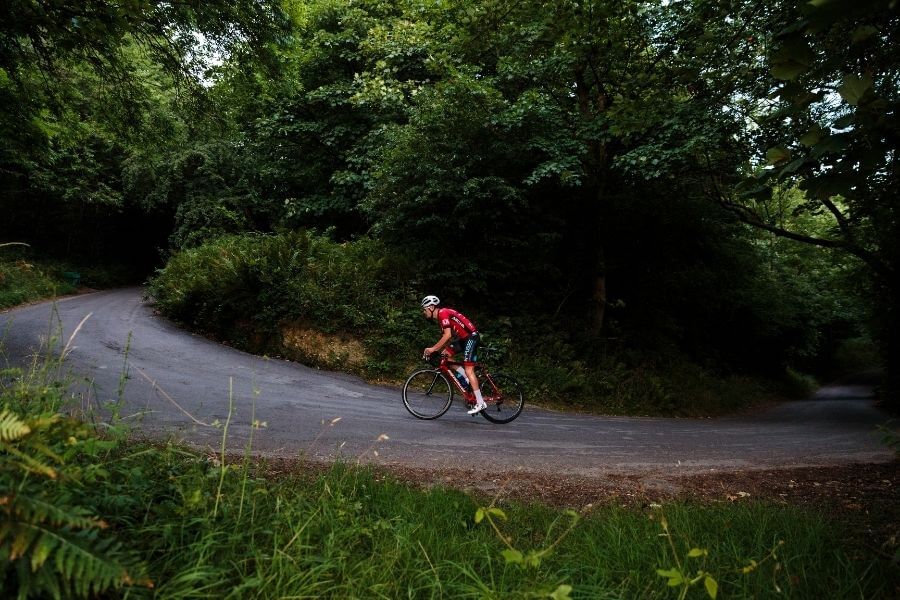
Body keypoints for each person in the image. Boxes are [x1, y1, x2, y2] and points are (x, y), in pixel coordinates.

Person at [420, 295, 486, 414]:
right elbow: (448, 337)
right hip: (464, 339)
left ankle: (480, 402)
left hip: (471, 337)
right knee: (445, 355)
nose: (424, 312)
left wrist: (433, 349)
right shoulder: (440, 317)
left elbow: (447, 336)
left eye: (424, 309)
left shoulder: (443, 313)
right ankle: (465, 377)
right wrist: (439, 349)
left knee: (469, 370)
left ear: (431, 307)